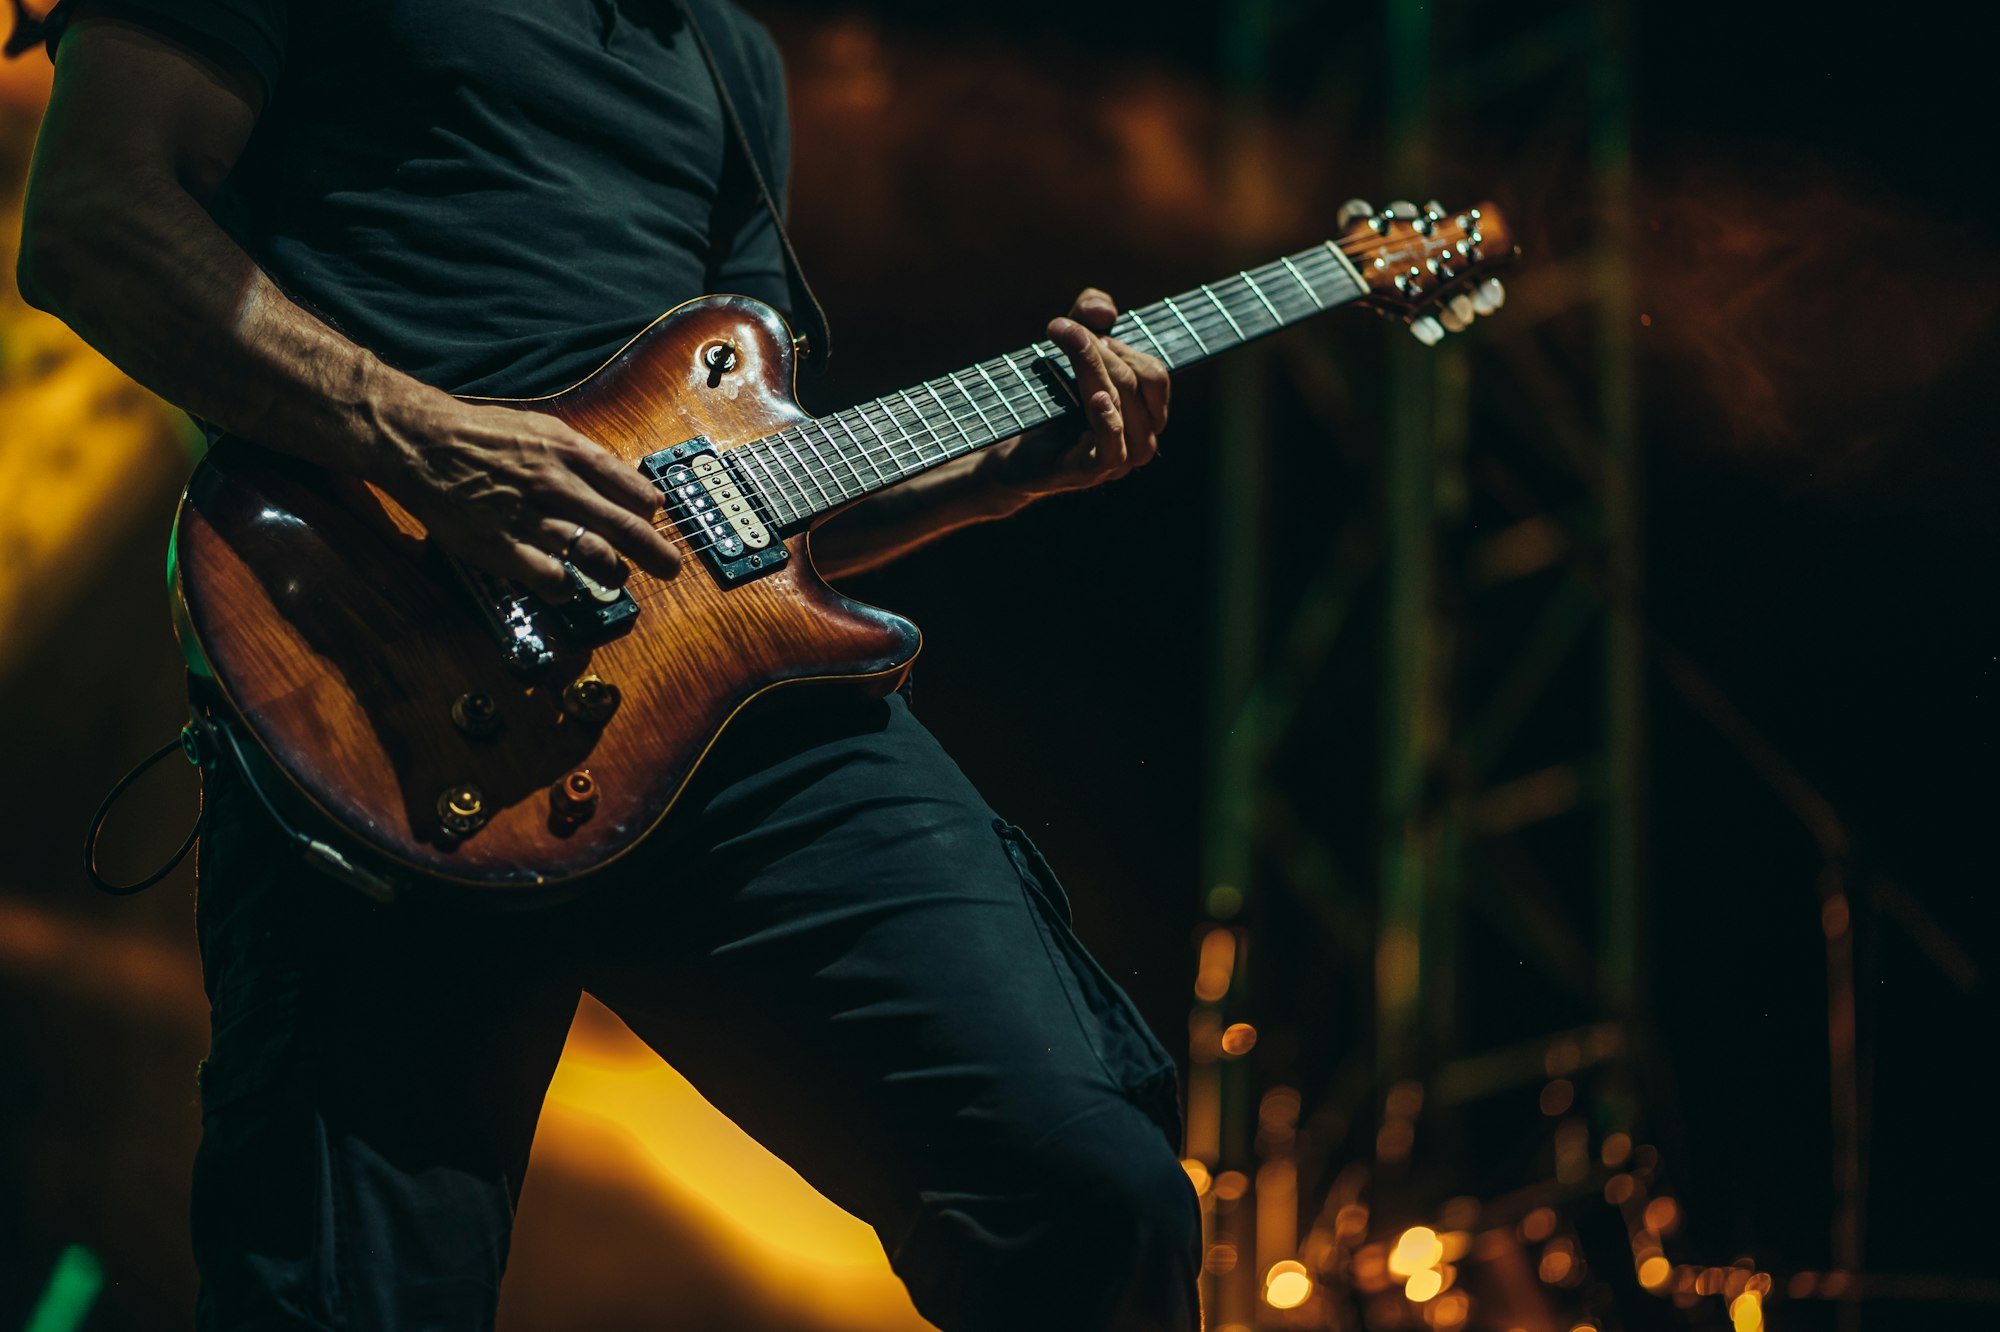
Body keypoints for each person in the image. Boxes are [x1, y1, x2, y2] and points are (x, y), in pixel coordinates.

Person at [17, 2, 1198, 1329]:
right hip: (380, 686)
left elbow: (741, 491)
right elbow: (92, 221)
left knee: (1094, 1192)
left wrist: (992, 483)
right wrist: (426, 440)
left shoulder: (727, 54)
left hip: (733, 723)